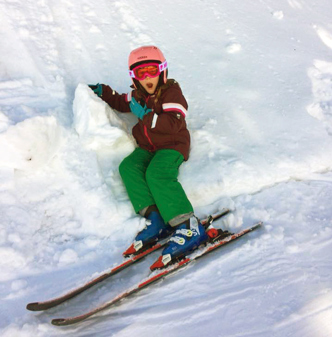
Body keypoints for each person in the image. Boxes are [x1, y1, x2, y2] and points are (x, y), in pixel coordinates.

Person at [89, 45, 208, 269]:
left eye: (151, 71)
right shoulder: (138, 95)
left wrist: (148, 116)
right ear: (134, 77)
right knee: (128, 167)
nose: (147, 77)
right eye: (141, 73)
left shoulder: (172, 93)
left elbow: (174, 122)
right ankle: (156, 219)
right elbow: (122, 102)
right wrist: (103, 92)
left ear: (162, 71)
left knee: (156, 174)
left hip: (172, 146)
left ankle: (187, 225)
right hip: (149, 147)